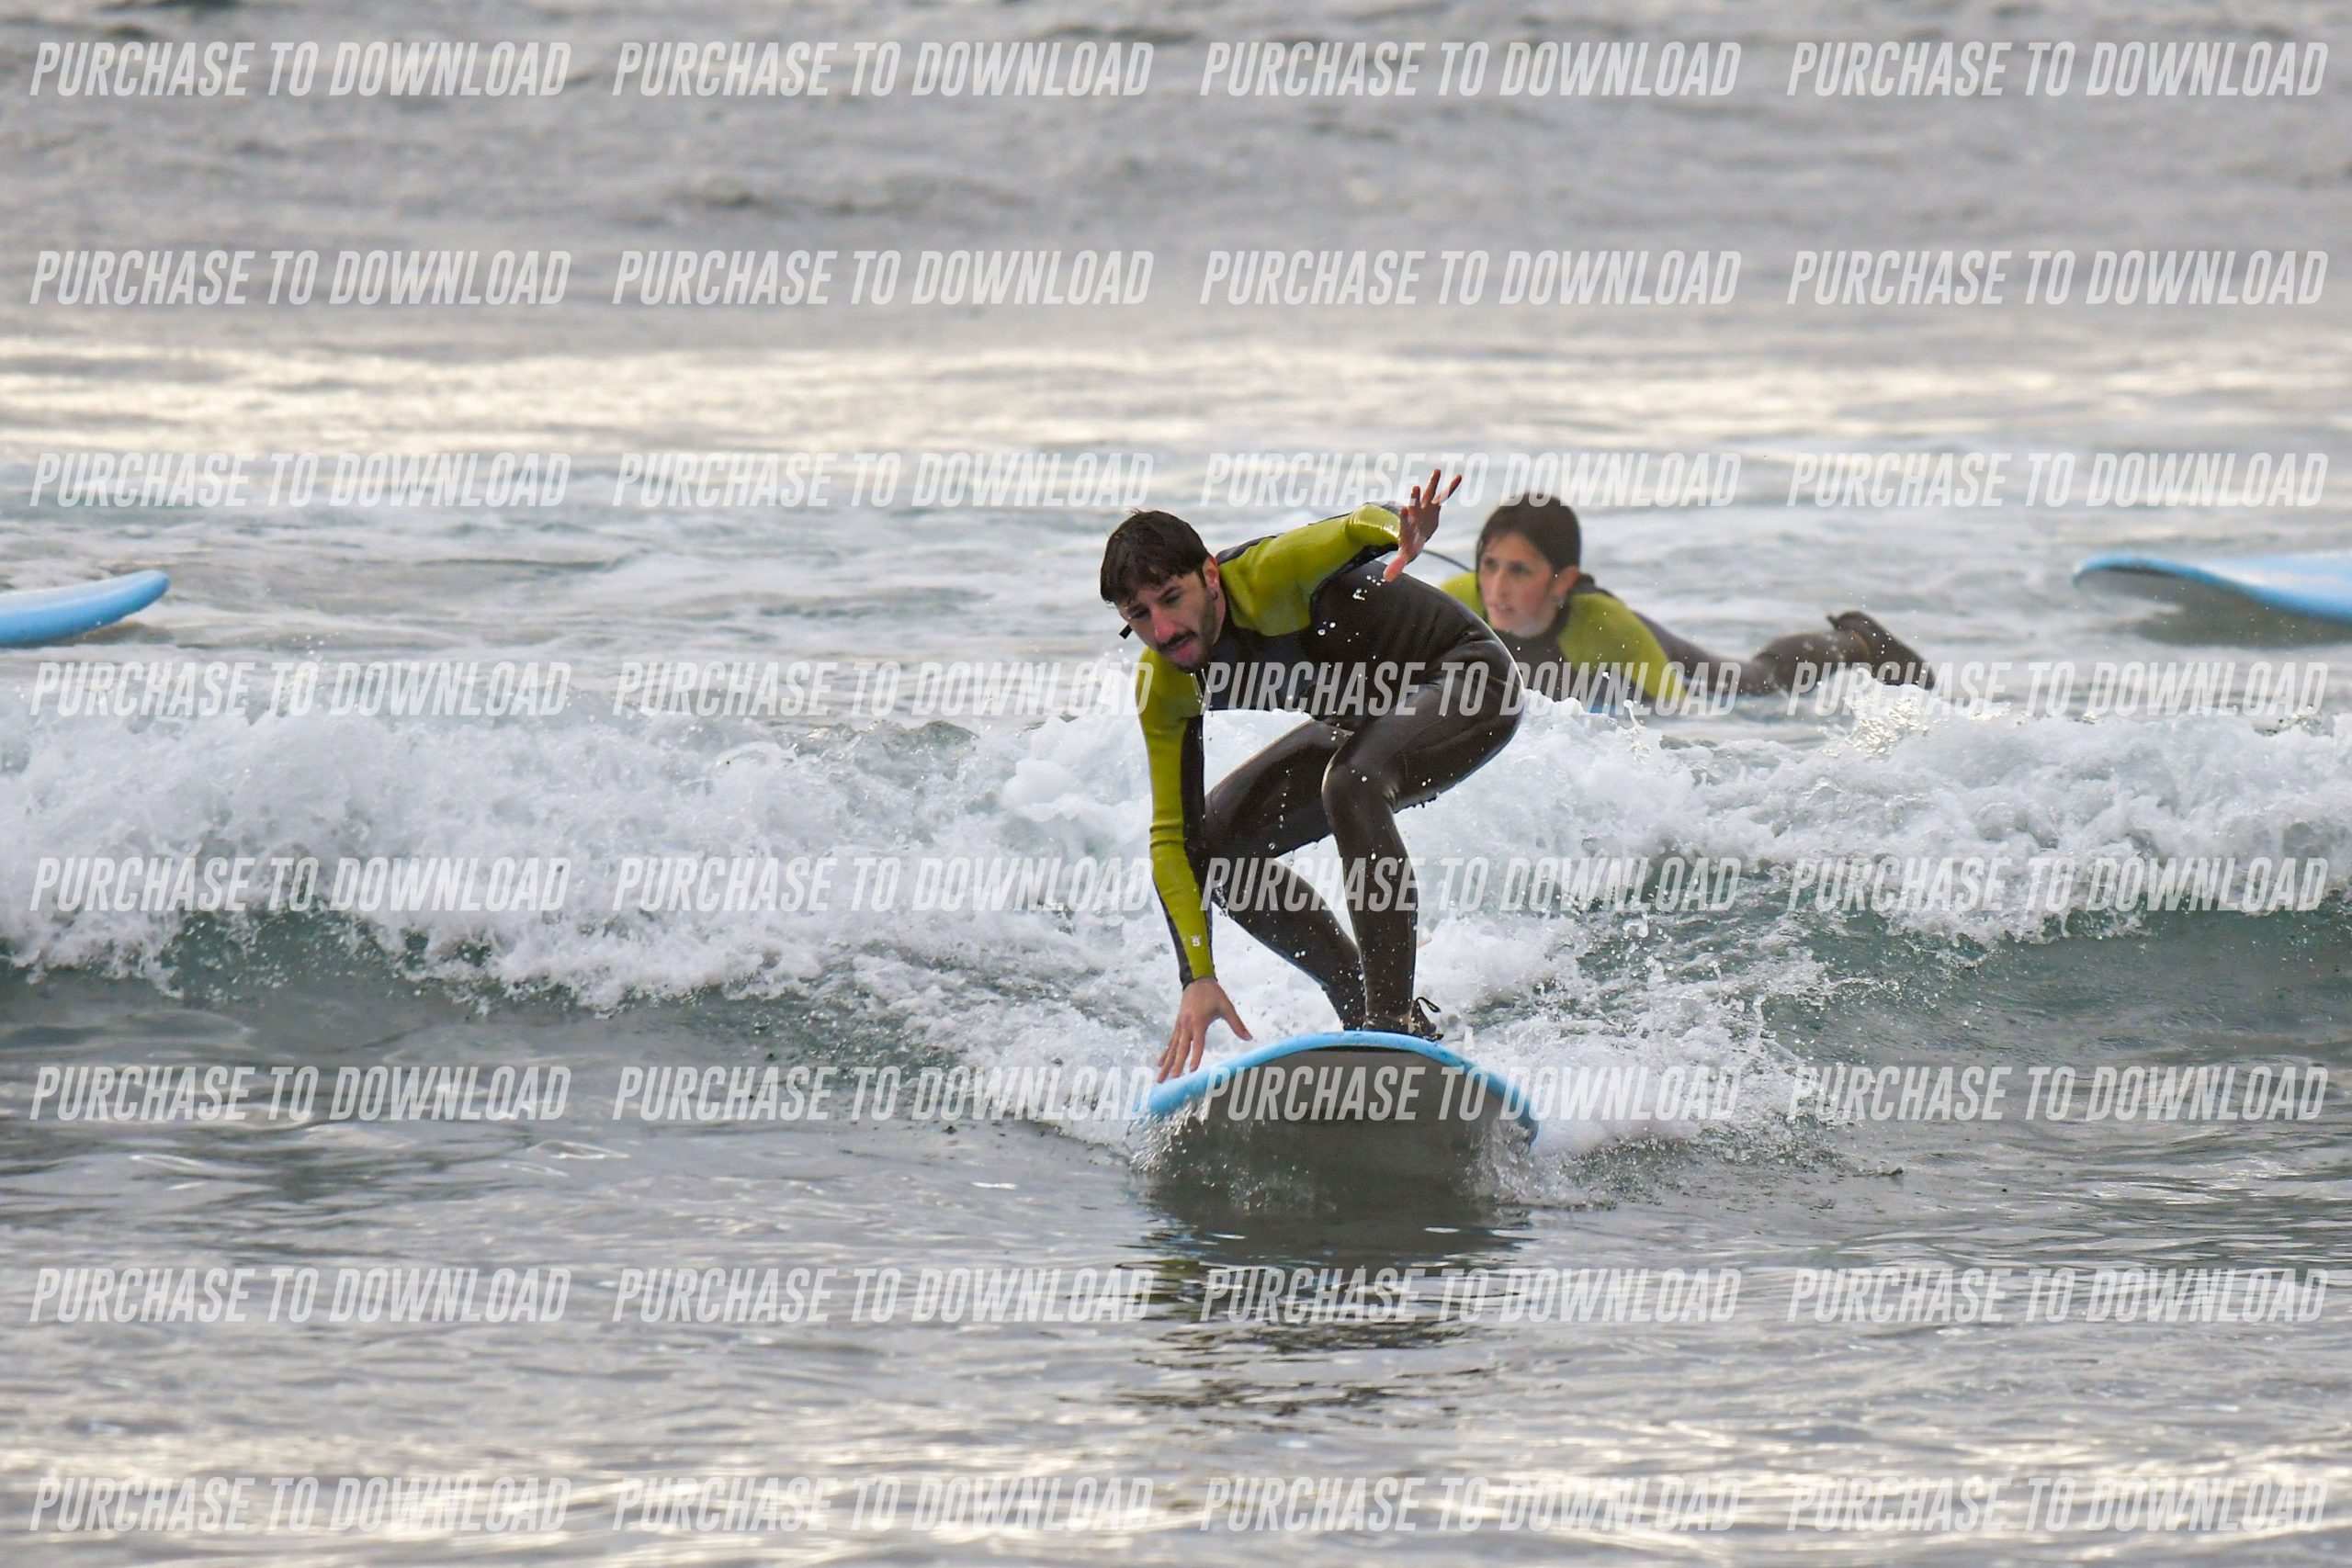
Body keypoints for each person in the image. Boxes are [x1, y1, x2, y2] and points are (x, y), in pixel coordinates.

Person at [1103, 471, 1520, 1082]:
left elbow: (1354, 528)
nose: (1163, 630)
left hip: (1472, 681)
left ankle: (1391, 1029)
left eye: (1171, 598)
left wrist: (1403, 535)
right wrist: (1198, 976)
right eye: (1139, 614)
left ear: (1210, 576)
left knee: (1351, 782)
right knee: (1218, 846)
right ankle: (1365, 1012)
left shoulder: (1268, 574)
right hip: (1368, 720)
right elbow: (1173, 836)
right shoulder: (1165, 684)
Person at [1441, 494, 1935, 706]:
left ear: (1562, 580)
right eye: (1489, 564)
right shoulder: (1457, 604)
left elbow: (1676, 711)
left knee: (1755, 682)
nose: (1496, 587)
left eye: (1520, 570)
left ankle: (1856, 641)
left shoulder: (1605, 627)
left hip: (1659, 658)